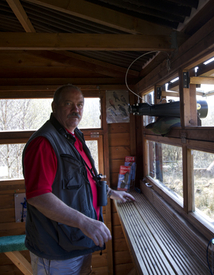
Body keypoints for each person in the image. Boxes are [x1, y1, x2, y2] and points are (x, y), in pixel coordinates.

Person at [22, 84, 135, 275]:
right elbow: (38, 197)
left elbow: (86, 179)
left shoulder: (74, 137)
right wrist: (84, 222)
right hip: (57, 249)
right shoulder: (44, 143)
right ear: (54, 107)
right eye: (69, 103)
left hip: (79, 240)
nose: (76, 109)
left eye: (80, 104)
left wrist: (111, 193)